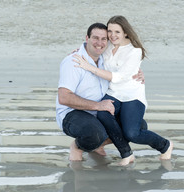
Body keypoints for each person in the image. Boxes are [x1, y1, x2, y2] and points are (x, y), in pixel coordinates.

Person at [73, 15, 173, 166]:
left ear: (126, 32)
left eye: (117, 32)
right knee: (103, 113)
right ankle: (126, 154)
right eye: (110, 31)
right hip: (113, 93)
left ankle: (165, 145)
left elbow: (119, 77)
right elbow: (94, 48)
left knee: (132, 133)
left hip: (132, 95)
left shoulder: (135, 51)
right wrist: (80, 51)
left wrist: (90, 68)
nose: (113, 35)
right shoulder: (108, 47)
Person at [56, 22, 145, 161]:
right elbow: (64, 98)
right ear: (87, 38)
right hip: (72, 113)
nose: (99, 43)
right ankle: (78, 146)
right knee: (95, 133)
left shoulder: (106, 59)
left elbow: (122, 72)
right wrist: (98, 106)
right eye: (95, 38)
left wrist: (138, 74)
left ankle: (97, 145)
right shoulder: (74, 62)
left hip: (99, 112)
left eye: (104, 39)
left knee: (138, 126)